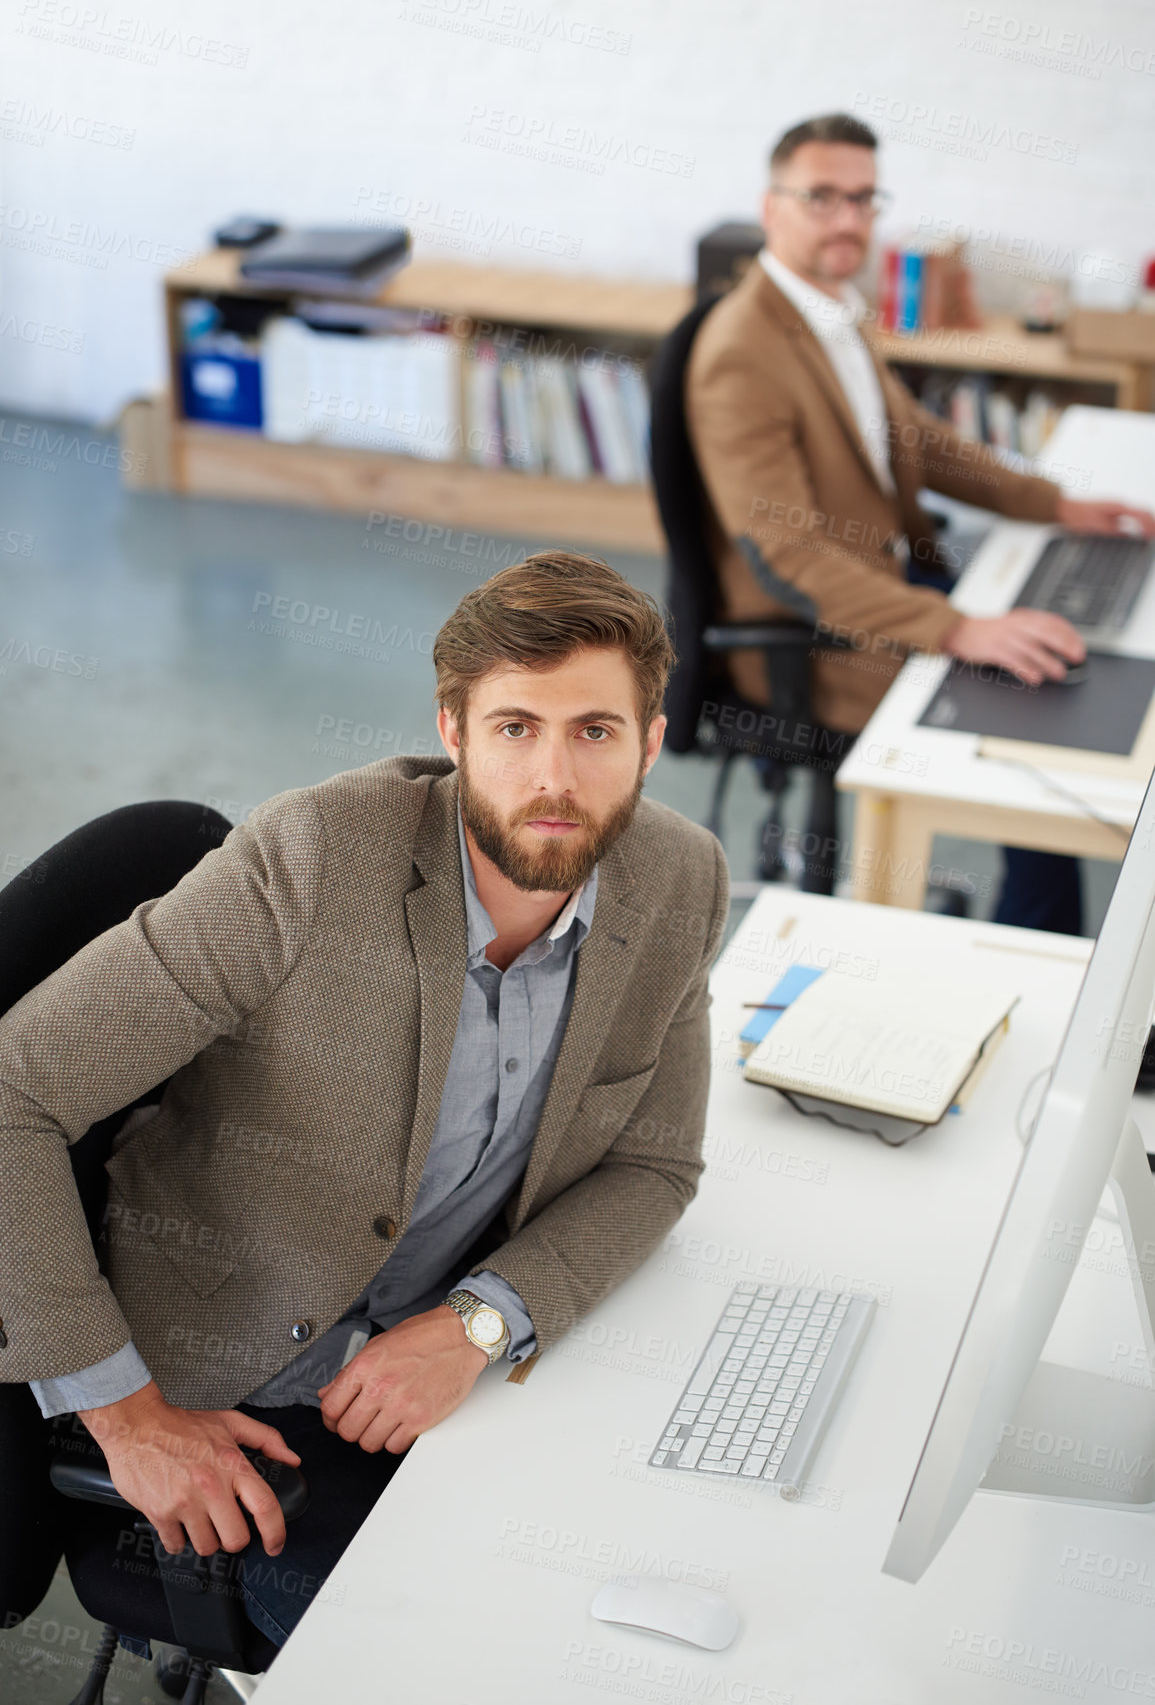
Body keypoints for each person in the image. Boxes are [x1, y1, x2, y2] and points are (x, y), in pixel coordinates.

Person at [0, 550, 730, 1651]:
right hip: (241, 1398)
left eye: (596, 731)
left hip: (448, 1374)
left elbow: (657, 1164)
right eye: (515, 728)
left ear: (651, 744)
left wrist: (479, 1323)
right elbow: (11, 1092)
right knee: (490, 1656)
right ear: (452, 732)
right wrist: (127, 1416)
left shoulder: (679, 879)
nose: (555, 779)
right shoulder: (313, 862)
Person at [685, 110, 1155, 932]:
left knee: (1075, 654)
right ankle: (1035, 959)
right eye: (821, 197)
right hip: (808, 633)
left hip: (884, 576)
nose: (846, 220)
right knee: (1031, 741)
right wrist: (955, 628)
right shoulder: (740, 352)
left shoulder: (831, 306)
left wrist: (1054, 503)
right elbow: (789, 559)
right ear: (771, 206)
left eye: (863, 200)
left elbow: (916, 439)